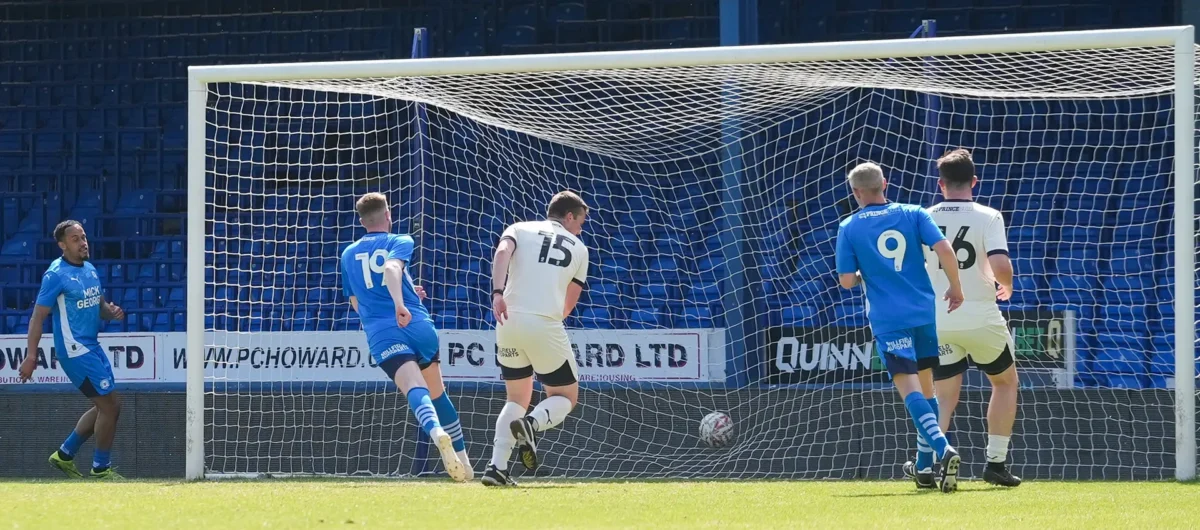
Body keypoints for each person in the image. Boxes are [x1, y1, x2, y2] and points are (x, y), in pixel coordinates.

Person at [834, 162, 966, 493]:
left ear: (856, 193)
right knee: (928, 389)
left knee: (910, 392)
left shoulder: (849, 227)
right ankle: (923, 470)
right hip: (923, 313)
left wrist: (868, 273)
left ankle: (943, 448)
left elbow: (847, 281)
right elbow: (945, 248)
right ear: (885, 184)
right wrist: (955, 287)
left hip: (889, 320)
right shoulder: (914, 212)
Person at [904, 148, 1021, 488]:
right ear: (974, 181)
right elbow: (1001, 265)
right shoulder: (989, 216)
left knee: (943, 395)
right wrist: (1008, 286)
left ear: (941, 184)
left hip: (938, 318)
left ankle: (933, 461)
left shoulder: (922, 217)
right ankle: (995, 463)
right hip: (980, 314)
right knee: (1004, 382)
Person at [340, 192, 469, 482]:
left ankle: (435, 431)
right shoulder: (401, 240)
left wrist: (394, 305)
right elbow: (391, 267)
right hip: (419, 325)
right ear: (389, 214)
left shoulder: (348, 254)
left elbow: (357, 301)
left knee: (413, 386)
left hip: (384, 329)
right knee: (438, 392)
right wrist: (403, 299)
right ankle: (465, 462)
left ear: (361, 221)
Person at [482, 191, 590, 487]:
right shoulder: (580, 249)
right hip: (544, 323)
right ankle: (532, 424)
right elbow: (567, 306)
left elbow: (502, 253)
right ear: (569, 217)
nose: (580, 228)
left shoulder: (518, 227)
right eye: (580, 221)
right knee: (565, 396)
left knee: (516, 397)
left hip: (507, 319)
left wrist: (497, 294)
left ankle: (496, 467)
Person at [20, 220, 127, 479]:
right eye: (76, 239)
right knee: (110, 406)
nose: (83, 242)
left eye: (84, 237)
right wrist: (31, 356)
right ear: (62, 244)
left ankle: (65, 454)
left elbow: (100, 306)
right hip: (74, 349)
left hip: (92, 346)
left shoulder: (90, 269)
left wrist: (110, 313)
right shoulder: (56, 275)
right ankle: (101, 469)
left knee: (108, 405)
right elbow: (38, 317)